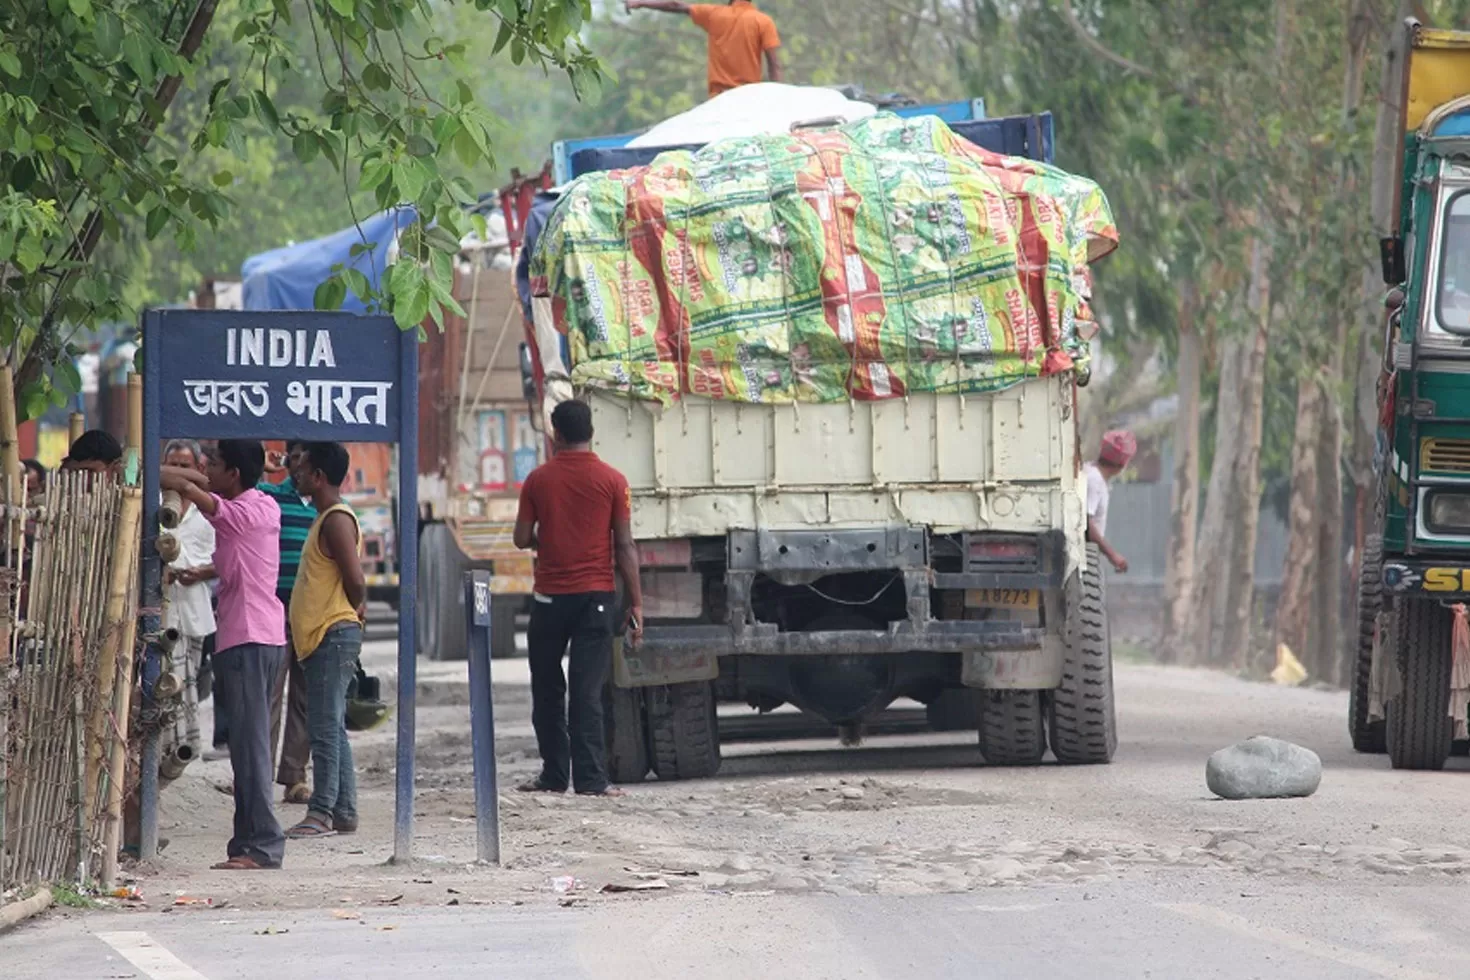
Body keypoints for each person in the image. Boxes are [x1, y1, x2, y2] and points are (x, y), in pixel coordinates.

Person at [161, 440, 287, 871]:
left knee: (250, 746)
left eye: (211, 463)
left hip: (247, 635)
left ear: (232, 473)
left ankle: (264, 845)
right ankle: (245, 843)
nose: (204, 469)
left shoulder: (236, 512)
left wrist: (167, 471)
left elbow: (176, 483)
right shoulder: (263, 505)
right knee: (246, 743)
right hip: (262, 634)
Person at [514, 400, 643, 797]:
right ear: (591, 432)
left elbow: (521, 538)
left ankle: (554, 776)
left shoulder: (537, 480)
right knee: (588, 693)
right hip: (597, 600)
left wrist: (549, 538)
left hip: (550, 601)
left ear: (557, 433)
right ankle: (592, 781)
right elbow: (624, 546)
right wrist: (636, 603)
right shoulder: (613, 481)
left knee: (548, 689)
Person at [284, 442, 365, 840]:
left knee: (324, 728)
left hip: (330, 635)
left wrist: (348, 612)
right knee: (331, 727)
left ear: (318, 477)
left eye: (301, 467)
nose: (294, 472)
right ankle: (343, 810)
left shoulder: (335, 519)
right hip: (324, 636)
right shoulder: (325, 517)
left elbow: (356, 581)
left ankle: (321, 814)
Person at [257, 443, 318, 805]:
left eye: (306, 461)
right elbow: (241, 490)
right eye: (295, 459)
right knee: (270, 695)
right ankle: (259, 777)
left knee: (304, 699)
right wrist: (262, 469)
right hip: (275, 611)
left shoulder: (329, 506)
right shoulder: (270, 496)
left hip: (311, 614)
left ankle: (295, 777)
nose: (299, 468)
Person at [161, 439, 217, 759]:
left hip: (193, 609)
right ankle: (167, 748)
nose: (178, 473)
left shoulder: (208, 508)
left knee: (188, 681)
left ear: (199, 469)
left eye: (184, 467)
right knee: (166, 681)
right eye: (172, 465)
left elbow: (220, 558)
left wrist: (201, 572)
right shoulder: (152, 503)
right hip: (162, 608)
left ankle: (185, 748)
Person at [625, 0, 782, 98]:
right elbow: (774, 65)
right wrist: (776, 99)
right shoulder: (763, 21)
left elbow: (676, 5)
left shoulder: (715, 14)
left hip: (719, 98)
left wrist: (641, 2)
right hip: (749, 97)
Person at [1085, 430, 1135, 574]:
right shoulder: (1095, 481)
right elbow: (1085, 523)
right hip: (1084, 555)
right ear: (1122, 464)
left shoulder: (1091, 472)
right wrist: (1112, 555)